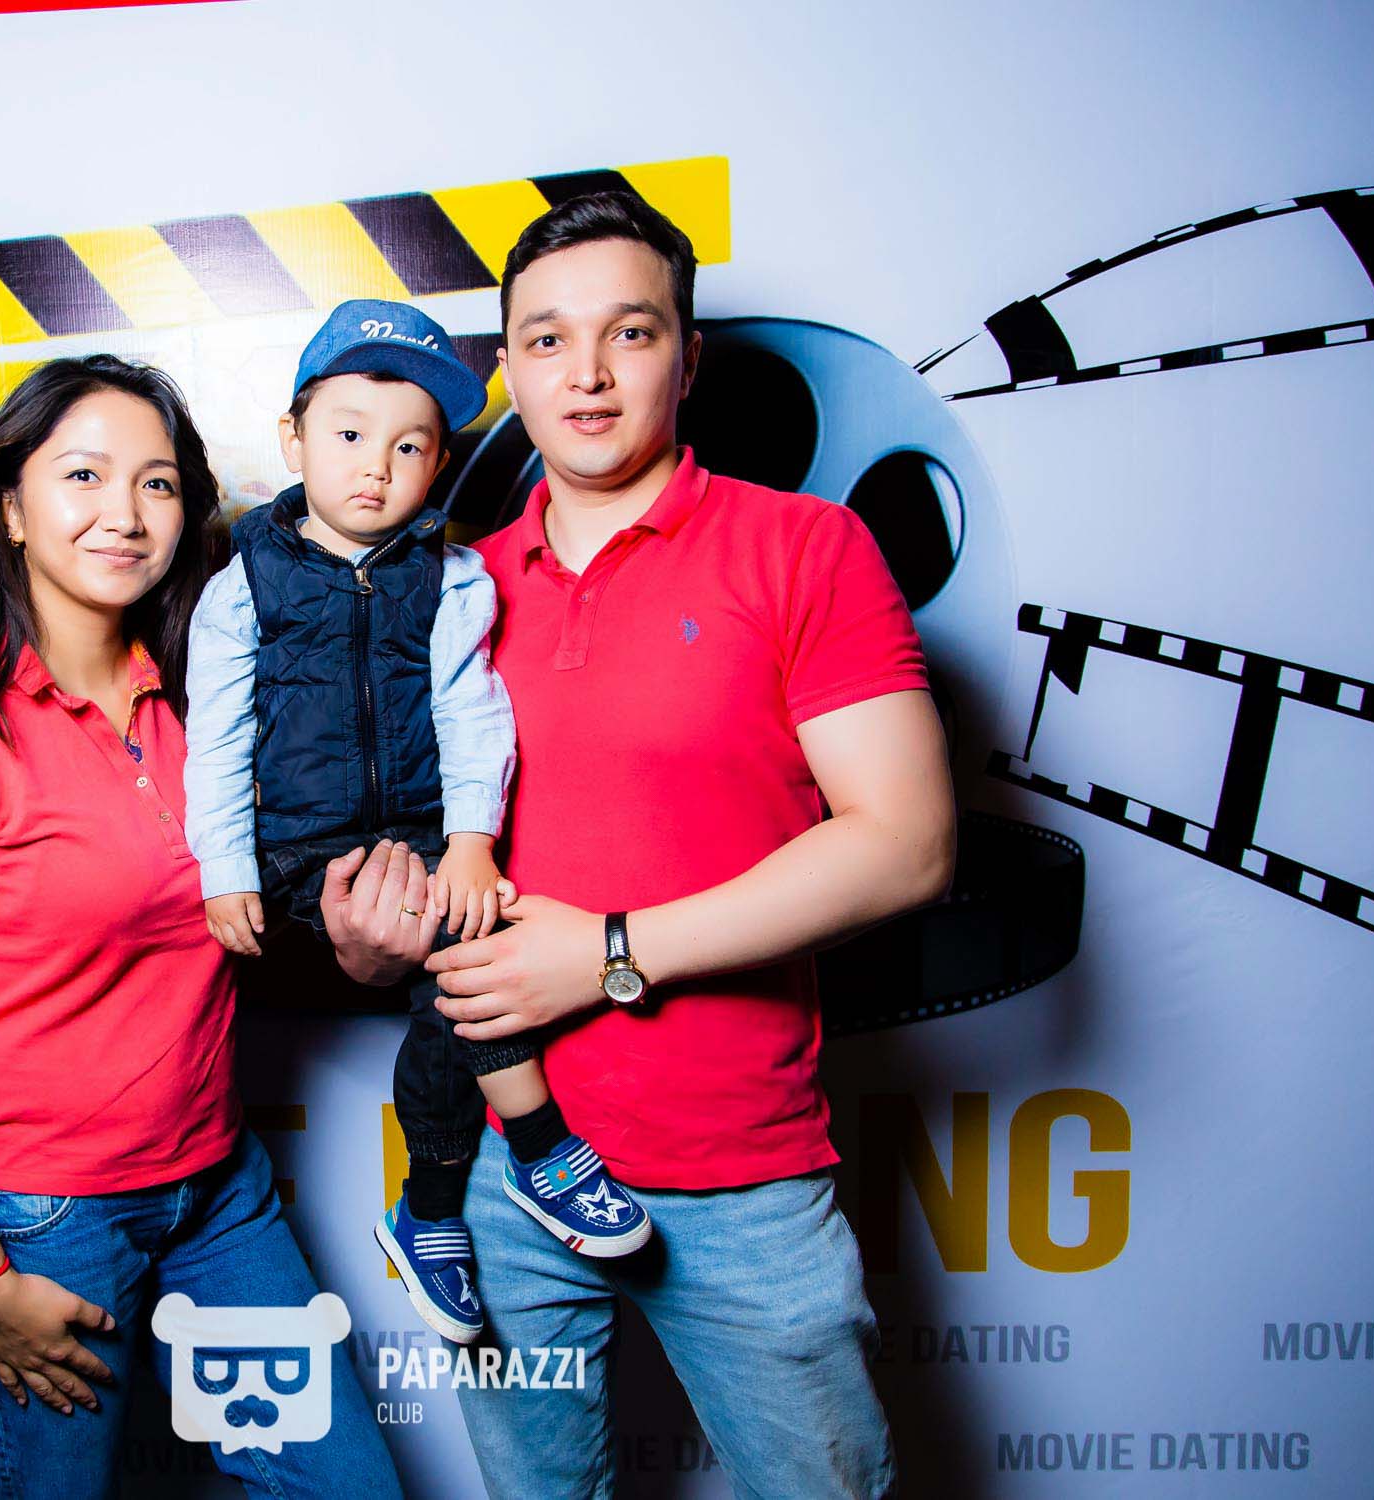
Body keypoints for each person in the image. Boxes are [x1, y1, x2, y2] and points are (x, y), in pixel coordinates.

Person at [325, 192, 957, 1499]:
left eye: (629, 332)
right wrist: (366, 936)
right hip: (496, 1171)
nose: (588, 374)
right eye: (547, 340)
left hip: (738, 1176)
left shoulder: (802, 549)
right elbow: (409, 874)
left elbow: (905, 844)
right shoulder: (448, 589)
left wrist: (610, 954)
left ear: (688, 356)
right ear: (509, 372)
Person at [0, 354, 402, 1500]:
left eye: (157, 483)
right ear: (10, 506)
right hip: (40, 1220)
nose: (125, 514)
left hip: (217, 1193)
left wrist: (365, 938)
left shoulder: (211, 694)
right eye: (84, 475)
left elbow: (254, 911)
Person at [182, 298, 654, 1349]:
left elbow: (472, 714)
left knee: (478, 963)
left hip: (427, 834)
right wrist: (226, 868)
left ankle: (432, 1205)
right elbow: (215, 735)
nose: (375, 468)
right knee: (456, 953)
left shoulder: (454, 578)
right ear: (294, 440)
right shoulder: (243, 584)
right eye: (349, 435)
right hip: (297, 851)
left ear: (439, 463)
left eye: (409, 447)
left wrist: (474, 843)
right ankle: (539, 1144)